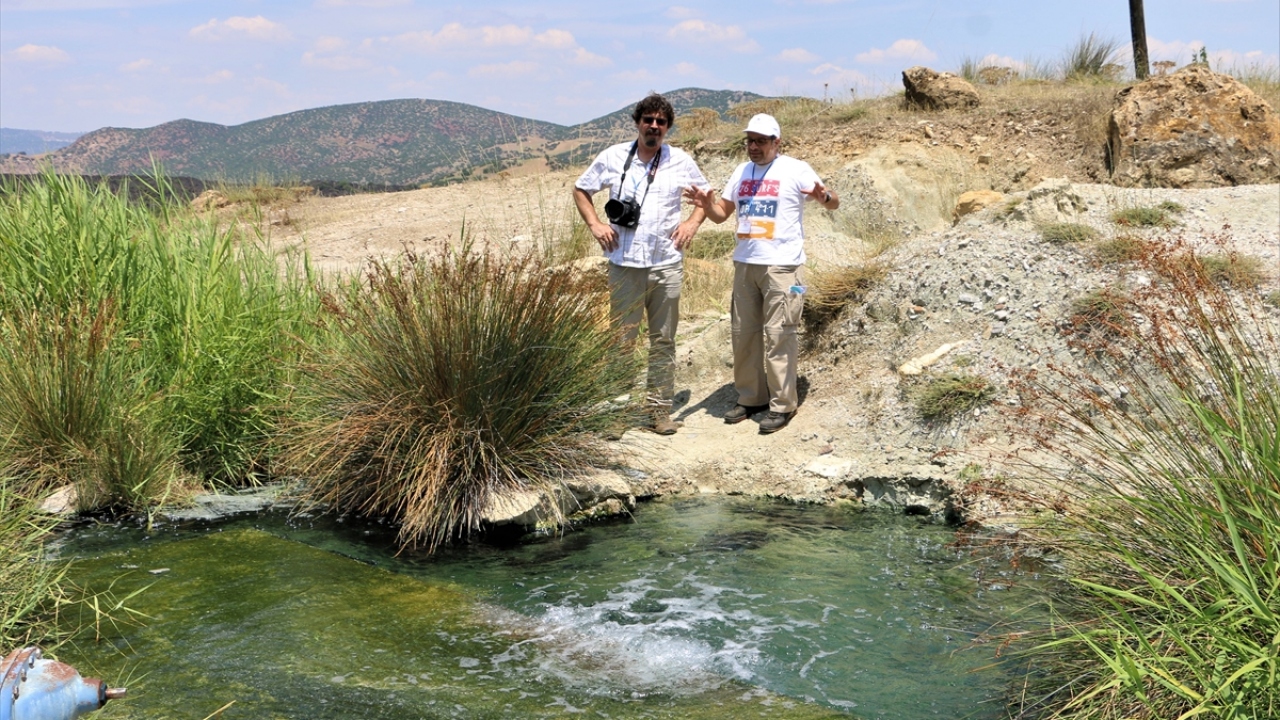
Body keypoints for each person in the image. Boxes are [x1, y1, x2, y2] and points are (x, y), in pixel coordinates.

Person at [684, 113, 839, 434]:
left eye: (760, 141)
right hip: (745, 264)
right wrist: (705, 204)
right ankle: (752, 397)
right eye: (749, 141)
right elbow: (721, 214)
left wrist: (824, 196)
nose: (753, 147)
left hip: (784, 267)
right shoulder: (741, 171)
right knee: (744, 335)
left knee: (780, 334)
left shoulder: (795, 168)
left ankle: (782, 404)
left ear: (776, 142)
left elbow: (833, 202)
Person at [573, 93, 710, 435]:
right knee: (621, 341)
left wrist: (692, 223)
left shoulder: (680, 160)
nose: (654, 126)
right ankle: (615, 415)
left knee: (663, 340)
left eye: (661, 122)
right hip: (625, 263)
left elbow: (706, 198)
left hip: (666, 263)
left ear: (668, 127)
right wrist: (595, 224)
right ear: (637, 122)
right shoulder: (614, 156)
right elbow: (581, 189)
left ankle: (659, 412)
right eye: (648, 120)